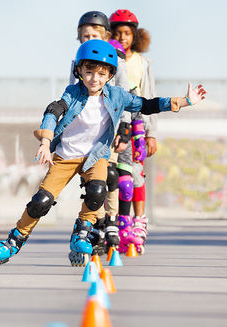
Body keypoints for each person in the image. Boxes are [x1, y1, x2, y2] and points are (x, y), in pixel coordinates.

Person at [0, 39, 206, 267]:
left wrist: (184, 101)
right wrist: (45, 141)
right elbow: (53, 111)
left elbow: (147, 104)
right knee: (42, 200)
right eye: (89, 72)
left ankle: (82, 231)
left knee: (98, 190)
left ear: (110, 75)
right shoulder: (73, 93)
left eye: (101, 74)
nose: (94, 79)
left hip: (96, 156)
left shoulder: (117, 95)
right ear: (79, 70)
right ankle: (16, 238)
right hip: (65, 156)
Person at [69, 11, 132, 256]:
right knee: (91, 182)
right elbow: (72, 94)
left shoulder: (116, 59)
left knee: (111, 176)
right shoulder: (77, 61)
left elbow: (126, 96)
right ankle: (94, 225)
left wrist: (125, 127)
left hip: (110, 128)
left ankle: (112, 222)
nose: (89, 40)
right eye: (84, 36)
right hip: (85, 130)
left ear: (105, 36)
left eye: (94, 35)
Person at [109, 9, 157, 254]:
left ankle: (139, 224)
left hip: (137, 125)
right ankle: (115, 225)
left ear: (135, 35)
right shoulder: (109, 57)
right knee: (115, 179)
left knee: (136, 175)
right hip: (113, 123)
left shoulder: (142, 62)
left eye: (127, 33)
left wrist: (151, 133)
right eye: (117, 33)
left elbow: (148, 97)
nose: (123, 37)